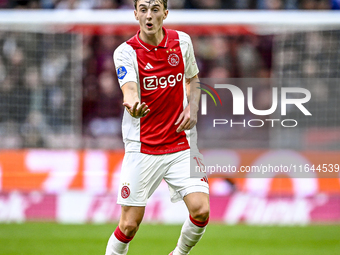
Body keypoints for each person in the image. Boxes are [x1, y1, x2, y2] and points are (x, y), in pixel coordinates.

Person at [105, 0, 209, 254]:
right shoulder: (126, 52)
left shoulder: (182, 42)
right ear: (135, 14)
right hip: (143, 147)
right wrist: (133, 105)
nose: (149, 16)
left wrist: (192, 106)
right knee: (129, 225)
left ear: (165, 13)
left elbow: (193, 79)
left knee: (201, 210)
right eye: (143, 9)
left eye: (154, 9)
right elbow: (129, 91)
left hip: (180, 143)